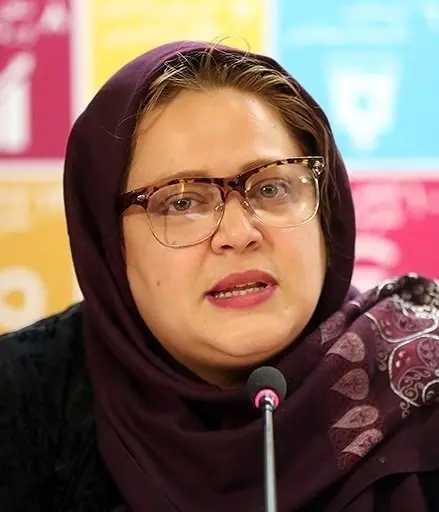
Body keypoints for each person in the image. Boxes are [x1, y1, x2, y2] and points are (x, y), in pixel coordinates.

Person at [1, 40, 439, 512]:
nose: (238, 234)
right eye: (181, 202)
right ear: (108, 242)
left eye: (271, 188)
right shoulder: (22, 398)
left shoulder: (425, 384)